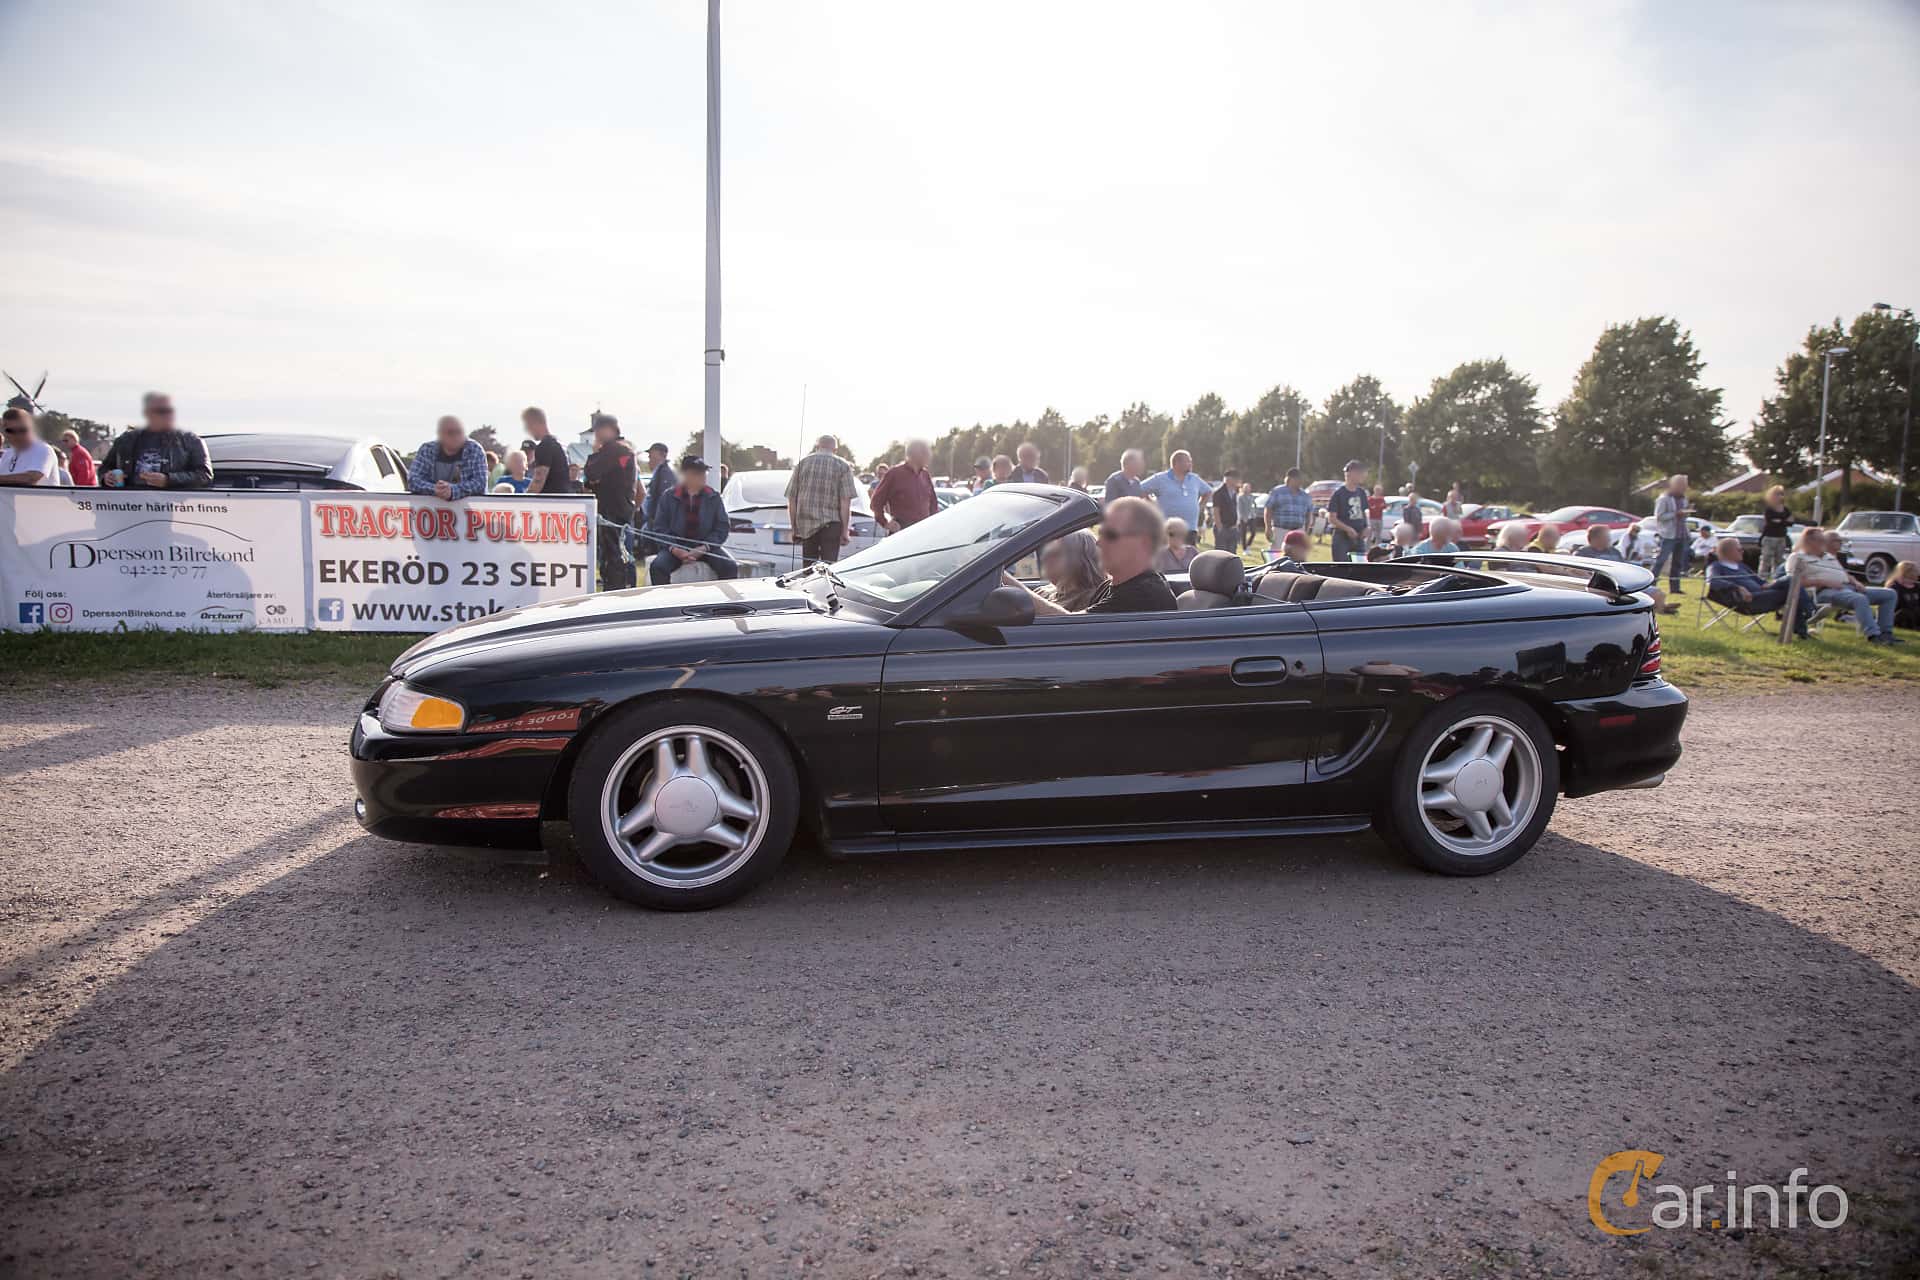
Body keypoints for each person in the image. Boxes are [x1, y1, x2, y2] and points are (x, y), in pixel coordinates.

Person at [1009, 496, 1176, 615]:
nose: (1099, 543)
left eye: (1110, 535)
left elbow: (1069, 627)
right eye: (1100, 534)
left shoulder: (1144, 594)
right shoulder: (1111, 586)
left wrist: (1005, 578)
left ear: (1143, 543)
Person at [1786, 527, 1900, 644]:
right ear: (1809, 541)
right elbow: (1792, 581)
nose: (1824, 542)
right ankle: (1874, 636)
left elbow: (1844, 574)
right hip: (1824, 592)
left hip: (1849, 588)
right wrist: (1825, 582)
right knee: (1859, 599)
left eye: (1824, 540)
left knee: (1889, 594)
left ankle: (1886, 633)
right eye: (1820, 539)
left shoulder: (1829, 556)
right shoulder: (1797, 557)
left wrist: (1856, 582)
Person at [646, 456, 736, 585]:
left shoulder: (713, 496)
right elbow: (660, 528)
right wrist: (675, 549)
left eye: (704, 473)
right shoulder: (669, 496)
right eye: (697, 473)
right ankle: (664, 602)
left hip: (706, 547)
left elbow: (722, 527)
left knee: (730, 566)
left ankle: (724, 604)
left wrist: (704, 548)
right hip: (675, 547)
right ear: (685, 475)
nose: (703, 476)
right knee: (658, 567)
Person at [99, 392, 213, 489]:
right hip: (129, 507)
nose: (168, 415)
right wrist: (107, 477)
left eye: (171, 410)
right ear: (148, 413)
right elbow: (105, 468)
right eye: (161, 411)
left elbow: (204, 476)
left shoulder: (191, 441)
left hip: (172, 508)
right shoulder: (126, 440)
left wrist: (168, 480)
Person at [1706, 537, 1814, 636]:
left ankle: (1806, 620)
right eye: (1739, 549)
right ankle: (1810, 614)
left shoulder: (1741, 566)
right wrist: (1738, 587)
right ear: (1728, 551)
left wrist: (1769, 584)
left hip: (1763, 593)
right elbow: (1713, 581)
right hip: (1749, 600)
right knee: (1792, 585)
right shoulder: (1716, 566)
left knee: (1791, 582)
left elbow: (1761, 582)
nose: (1742, 551)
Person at [785, 434, 860, 564]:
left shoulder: (803, 463)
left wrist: (794, 528)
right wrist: (844, 531)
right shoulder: (843, 466)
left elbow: (792, 499)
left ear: (818, 446)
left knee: (808, 569)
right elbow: (845, 502)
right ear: (835, 449)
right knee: (829, 568)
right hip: (831, 526)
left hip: (806, 525)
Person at [583, 414, 638, 590]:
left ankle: (616, 593)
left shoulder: (618, 450)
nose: (596, 435)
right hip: (609, 510)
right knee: (608, 558)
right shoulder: (612, 450)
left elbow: (592, 472)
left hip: (614, 511)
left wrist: (594, 469)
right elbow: (590, 478)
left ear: (610, 429)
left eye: (599, 430)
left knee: (614, 559)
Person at [1573, 524, 1678, 613]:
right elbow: (1575, 571)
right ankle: (1662, 610)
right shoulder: (1583, 553)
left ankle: (1661, 609)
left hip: (1622, 584)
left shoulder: (1614, 552)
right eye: (1606, 536)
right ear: (1595, 538)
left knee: (1658, 593)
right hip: (1602, 587)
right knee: (1647, 598)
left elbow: (1624, 568)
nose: (1609, 539)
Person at [407, 415, 488, 500]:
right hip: (430, 510)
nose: (456, 436)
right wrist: (435, 489)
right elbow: (413, 480)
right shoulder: (427, 450)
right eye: (450, 432)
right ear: (440, 434)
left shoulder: (474, 450)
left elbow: (480, 483)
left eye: (459, 432)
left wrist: (453, 491)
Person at [870, 438, 937, 532]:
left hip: (924, 532)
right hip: (902, 533)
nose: (929, 456)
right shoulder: (894, 474)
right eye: (926, 452)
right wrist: (885, 522)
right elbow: (876, 502)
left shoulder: (925, 475)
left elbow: (933, 504)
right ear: (916, 453)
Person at [1036, 529, 1105, 612]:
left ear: (1081, 560)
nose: (1046, 558)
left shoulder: (1093, 598)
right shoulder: (1043, 591)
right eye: (1047, 553)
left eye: (1056, 554)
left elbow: (1066, 621)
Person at [1141, 449, 1206, 535]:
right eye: (1188, 461)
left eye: (1190, 461)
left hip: (1190, 529)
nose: (1191, 464)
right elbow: (1139, 489)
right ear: (1177, 463)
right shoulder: (1160, 479)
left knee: (1190, 549)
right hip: (1168, 530)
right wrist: (1152, 504)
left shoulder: (1195, 479)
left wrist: (1199, 506)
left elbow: (1208, 492)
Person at [0, 407, 61, 486]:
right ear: (4, 431)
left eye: (22, 429)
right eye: (11, 431)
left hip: (41, 498)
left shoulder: (43, 449)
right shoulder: (7, 454)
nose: (17, 435)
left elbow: (30, 479)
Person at [1325, 459, 1370, 563]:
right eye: (1360, 473)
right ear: (1351, 473)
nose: (1362, 475)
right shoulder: (1338, 494)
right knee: (1342, 568)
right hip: (1342, 538)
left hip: (1359, 538)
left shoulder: (1361, 492)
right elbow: (1332, 518)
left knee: (1361, 568)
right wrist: (1348, 529)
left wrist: (1367, 527)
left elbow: (1363, 513)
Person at [1652, 474, 1690, 594]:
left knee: (1677, 563)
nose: (1684, 488)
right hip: (1668, 535)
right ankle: (1650, 585)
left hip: (1681, 534)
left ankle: (1675, 588)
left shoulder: (1684, 499)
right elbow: (1659, 516)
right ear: (1674, 485)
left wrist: (1686, 512)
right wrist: (1675, 514)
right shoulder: (1664, 498)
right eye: (1682, 485)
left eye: (1685, 485)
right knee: (1660, 561)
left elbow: (1684, 516)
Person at [521, 406, 571, 496]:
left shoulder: (544, 446)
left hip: (550, 501)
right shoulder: (560, 445)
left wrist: (524, 500)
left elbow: (538, 480)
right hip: (563, 498)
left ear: (535, 423)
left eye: (527, 426)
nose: (527, 430)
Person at [1263, 468, 1314, 547]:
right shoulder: (1277, 492)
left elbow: (1309, 514)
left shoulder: (1305, 496)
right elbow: (1268, 509)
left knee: (1297, 558)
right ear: (1290, 479)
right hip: (1280, 530)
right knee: (1278, 556)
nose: (1300, 481)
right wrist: (1268, 528)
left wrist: (1306, 532)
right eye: (1298, 479)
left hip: (1298, 531)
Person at [1758, 485, 1794, 579]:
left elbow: (1790, 522)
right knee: (1766, 559)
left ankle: (1777, 578)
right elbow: (1771, 522)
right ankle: (1762, 578)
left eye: (1782, 494)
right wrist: (1783, 521)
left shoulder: (1785, 509)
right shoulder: (1769, 509)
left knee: (1779, 560)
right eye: (1778, 494)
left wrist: (1780, 521)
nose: (1780, 496)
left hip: (1781, 537)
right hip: (1769, 537)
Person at [1210, 468, 1241, 551]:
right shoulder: (1218, 493)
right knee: (1221, 553)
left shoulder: (1235, 492)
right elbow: (1216, 511)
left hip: (1232, 528)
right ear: (1228, 479)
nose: (1237, 481)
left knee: (1232, 554)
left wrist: (1236, 524)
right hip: (1223, 527)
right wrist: (1219, 526)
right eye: (1235, 479)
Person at [1886, 560, 1920, 631]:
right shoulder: (1894, 587)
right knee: (1904, 613)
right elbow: (1891, 606)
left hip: (1916, 614)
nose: (1917, 574)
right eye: (1914, 572)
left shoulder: (1917, 587)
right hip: (1900, 616)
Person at [1236, 482, 1259, 552]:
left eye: (1248, 487)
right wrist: (1243, 517)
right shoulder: (1240, 497)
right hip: (1244, 518)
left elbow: (1254, 505)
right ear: (1243, 488)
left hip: (1252, 517)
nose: (1247, 489)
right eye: (1245, 487)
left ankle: (1248, 545)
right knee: (1243, 533)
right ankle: (1244, 549)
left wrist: (1255, 513)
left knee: (1253, 532)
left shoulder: (1252, 496)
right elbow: (1239, 508)